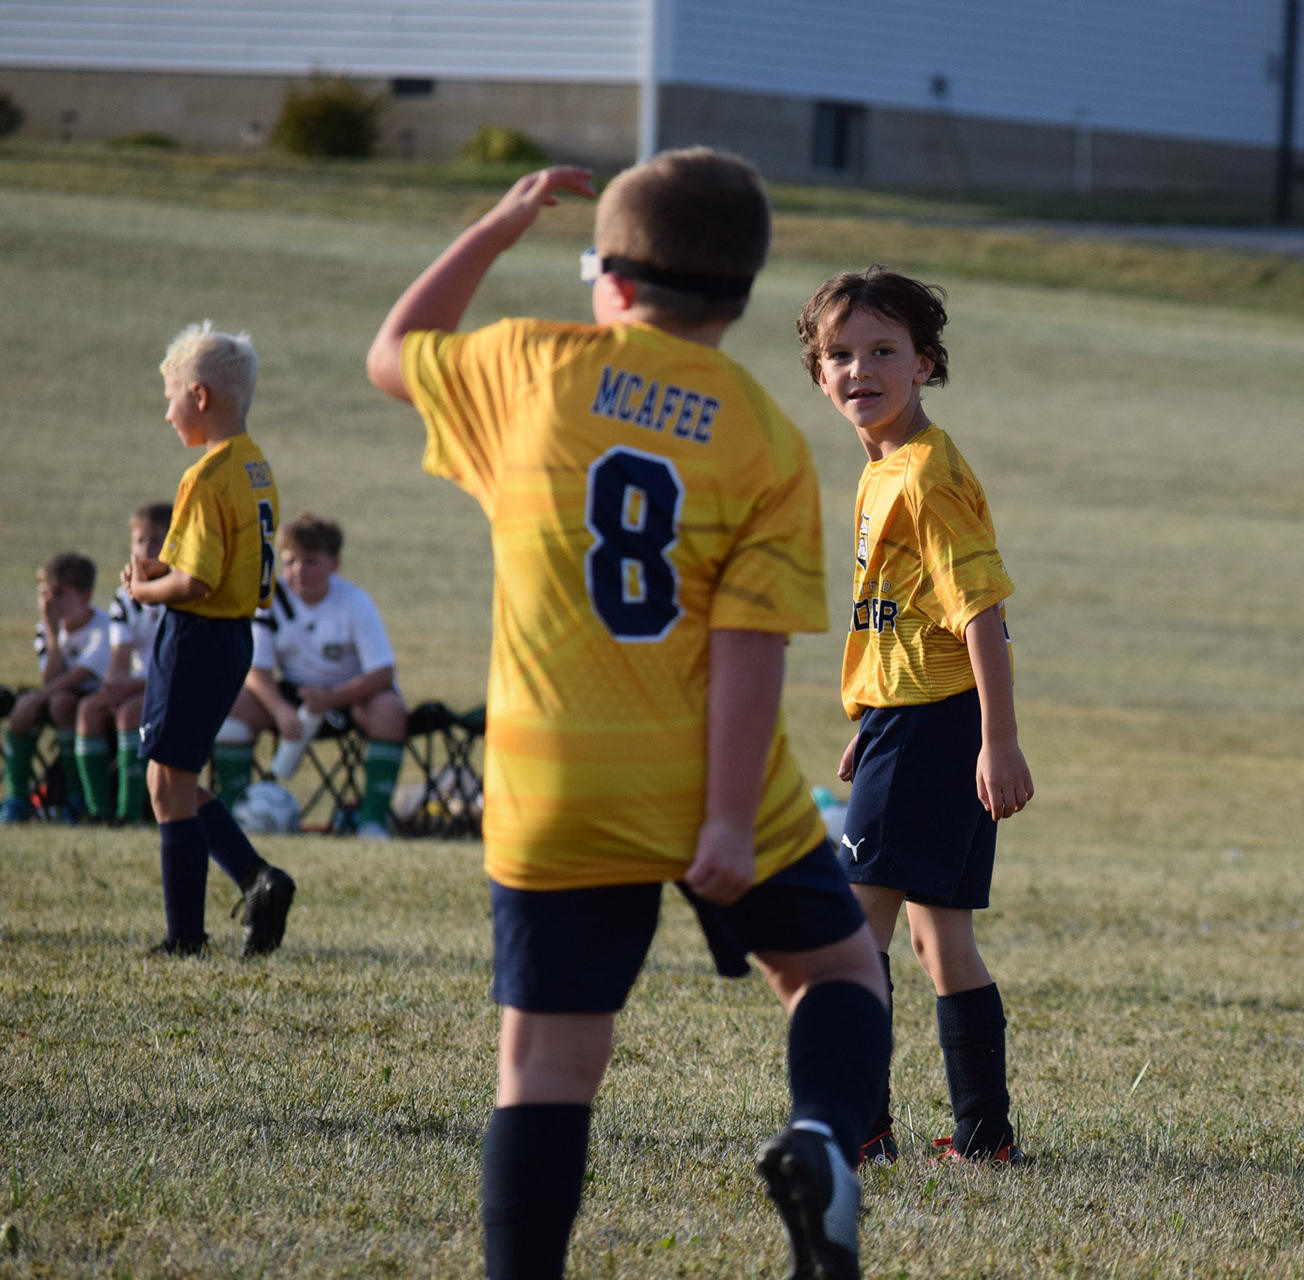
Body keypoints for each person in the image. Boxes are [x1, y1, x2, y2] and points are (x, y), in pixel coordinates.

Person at [365, 152, 890, 1280]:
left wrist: (498, 226)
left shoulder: (528, 365)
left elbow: (392, 350)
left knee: (546, 1067)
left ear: (607, 277)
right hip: (714, 778)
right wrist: (728, 823)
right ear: (742, 294)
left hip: (554, 783)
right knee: (840, 974)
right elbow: (750, 644)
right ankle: (818, 1137)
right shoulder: (763, 433)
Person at [798, 267, 1034, 1167]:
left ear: (925, 363)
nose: (861, 369)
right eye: (841, 354)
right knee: (942, 941)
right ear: (819, 375)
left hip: (935, 728)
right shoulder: (885, 468)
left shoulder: (925, 477)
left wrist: (998, 741)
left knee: (851, 939)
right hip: (916, 722)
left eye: (884, 351)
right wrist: (872, 716)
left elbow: (982, 615)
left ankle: (859, 1132)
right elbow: (910, 617)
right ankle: (984, 1136)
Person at [128, 321, 297, 957]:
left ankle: (187, 935)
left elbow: (196, 581)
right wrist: (163, 572)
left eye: (170, 397)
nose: (167, 412)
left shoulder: (205, 476)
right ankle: (257, 881)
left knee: (168, 783)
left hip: (196, 637)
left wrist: (144, 589)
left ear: (198, 396)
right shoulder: (255, 466)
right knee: (168, 780)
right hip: (234, 638)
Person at [224, 513, 408, 838]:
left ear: (334, 563)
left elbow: (382, 673)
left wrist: (332, 699)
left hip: (349, 695)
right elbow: (256, 670)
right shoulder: (269, 599)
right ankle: (233, 816)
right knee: (233, 706)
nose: (299, 570)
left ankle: (372, 822)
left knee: (390, 710)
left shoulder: (355, 602)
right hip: (293, 695)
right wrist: (281, 710)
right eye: (290, 561)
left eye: (310, 561)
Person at [74, 504, 173, 824]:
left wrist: (127, 688)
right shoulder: (125, 597)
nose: (147, 549)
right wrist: (111, 691)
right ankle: (97, 811)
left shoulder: (180, 591)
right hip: (139, 686)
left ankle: (129, 812)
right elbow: (119, 661)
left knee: (131, 712)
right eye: (140, 540)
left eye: (156, 540)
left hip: (175, 686)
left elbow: (175, 665)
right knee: (89, 709)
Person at [2, 553, 111, 823]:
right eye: (44, 593)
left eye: (59, 593)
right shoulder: (47, 628)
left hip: (96, 699)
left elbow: (79, 676)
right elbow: (50, 680)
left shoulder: (103, 627)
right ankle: (17, 798)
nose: (49, 601)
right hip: (57, 695)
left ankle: (75, 794)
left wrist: (39, 695)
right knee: (24, 711)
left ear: (86, 596)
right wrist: (52, 635)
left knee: (61, 703)